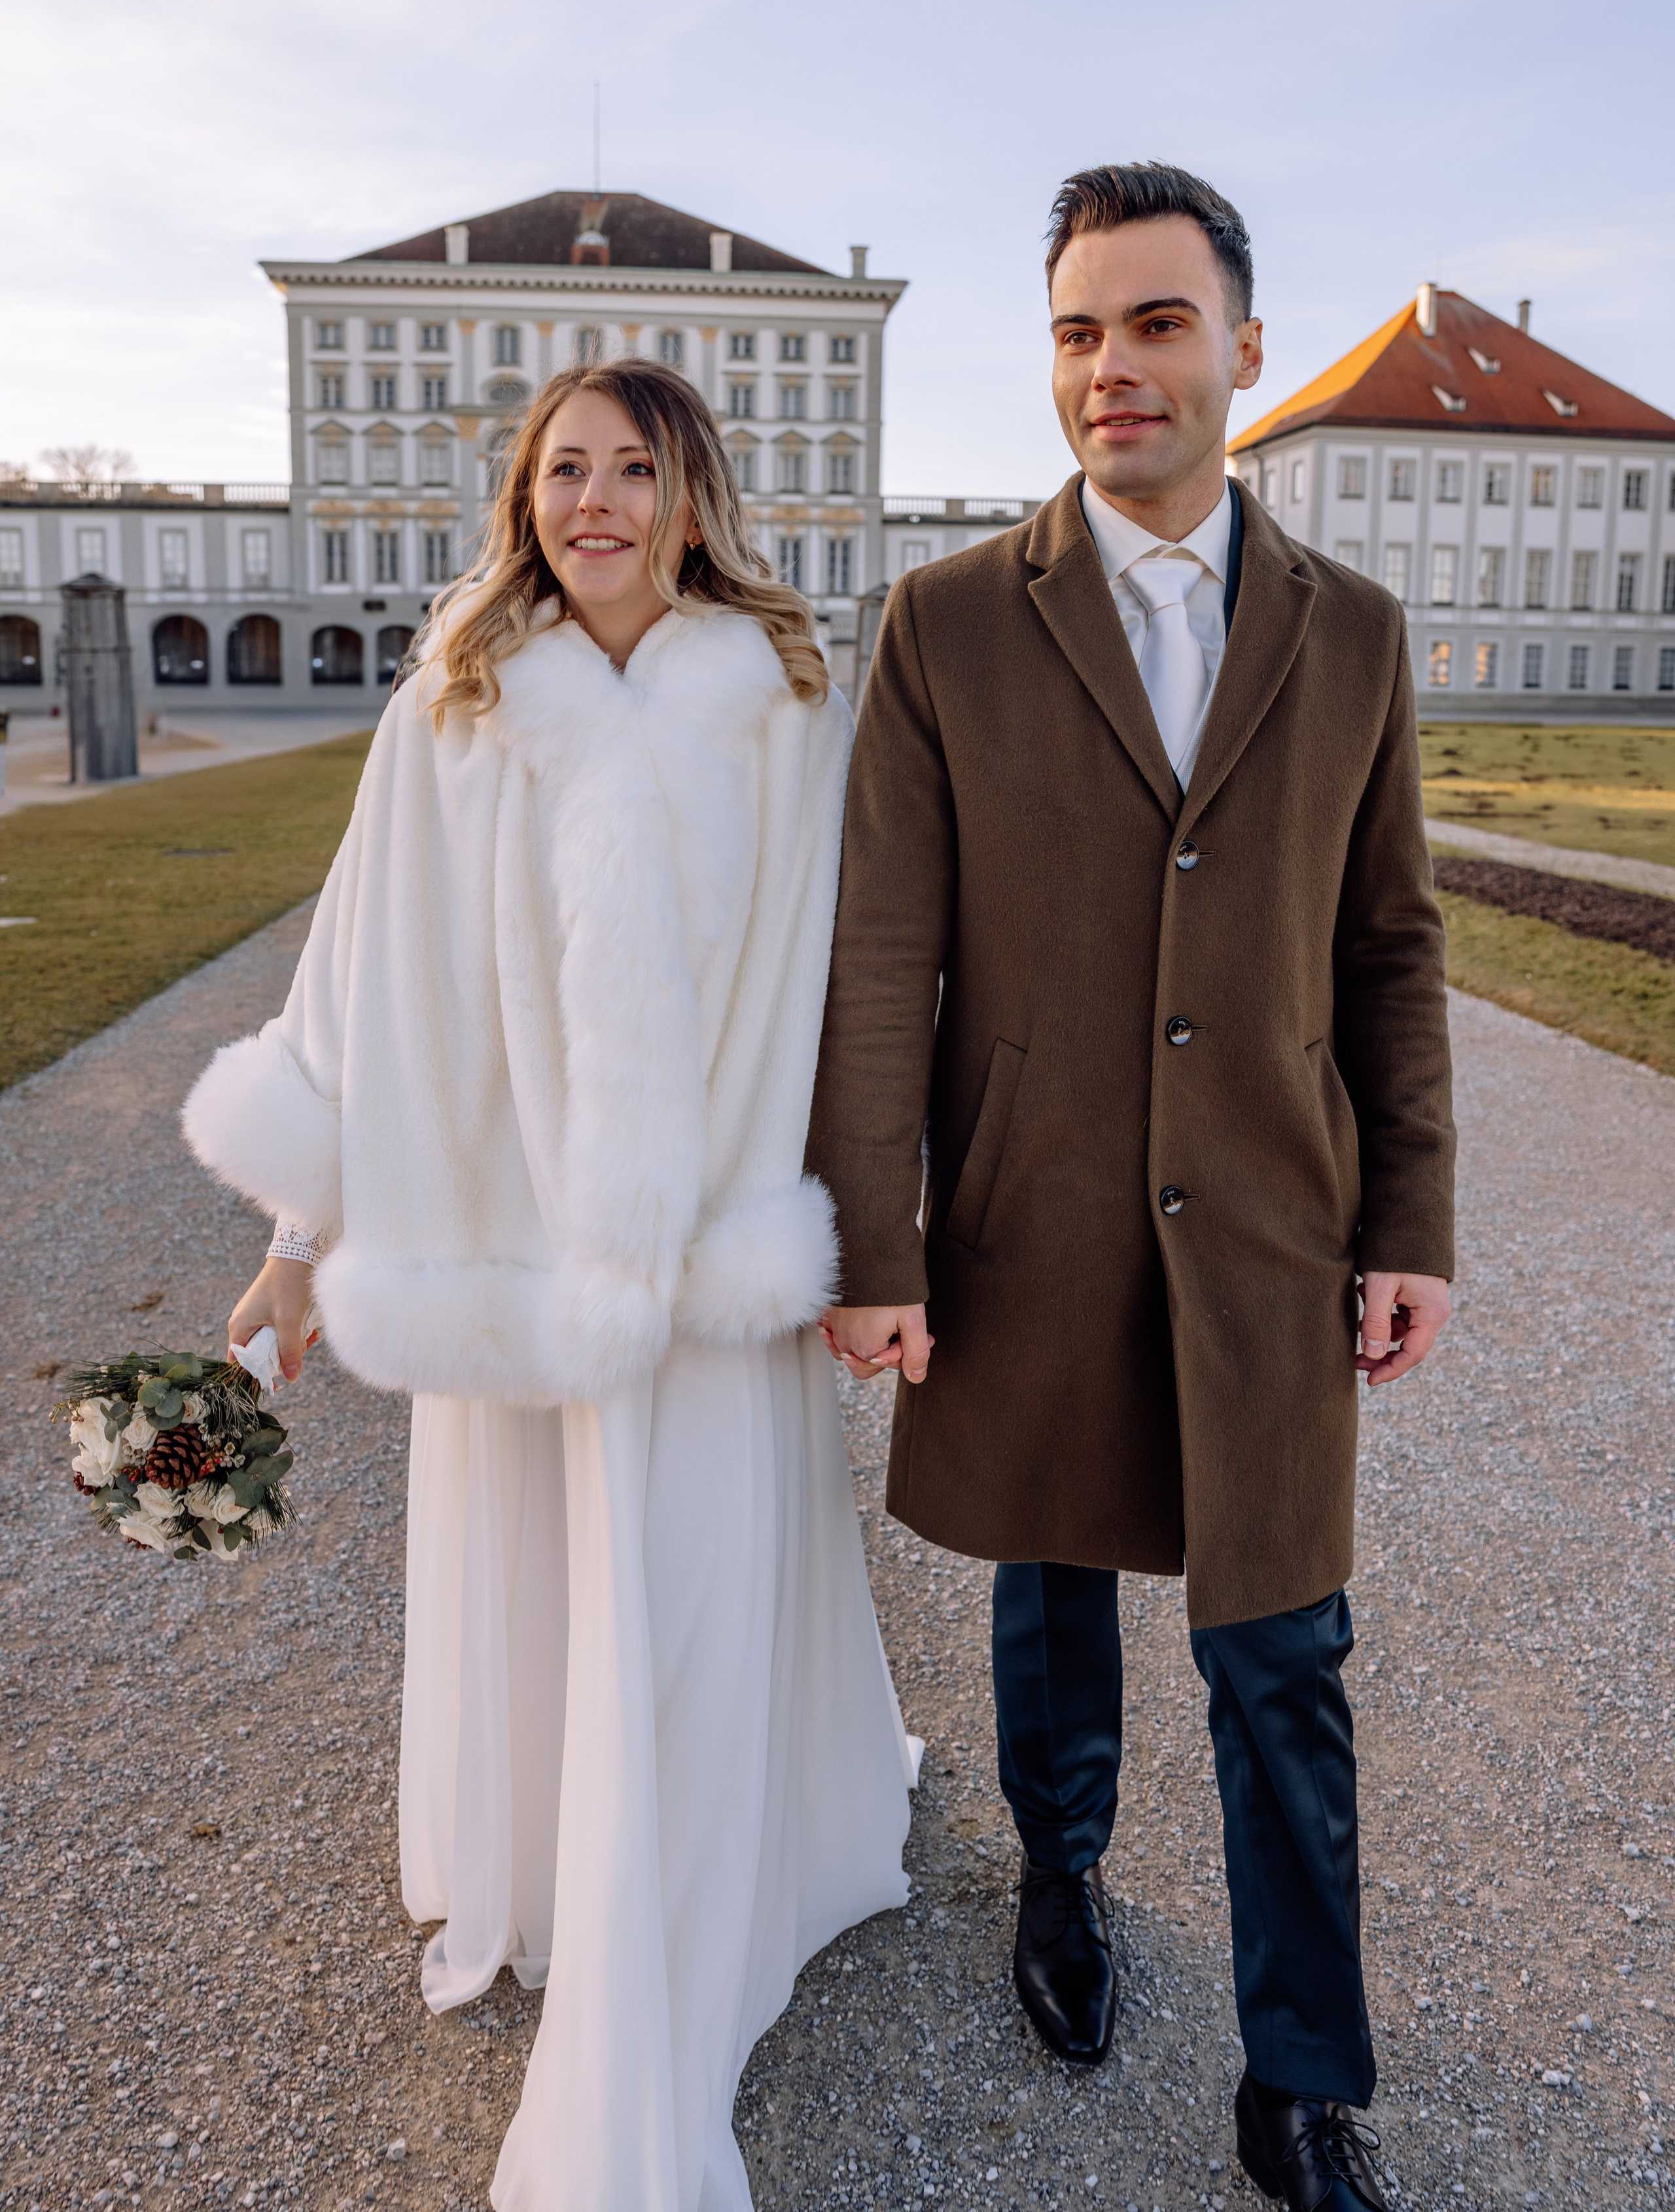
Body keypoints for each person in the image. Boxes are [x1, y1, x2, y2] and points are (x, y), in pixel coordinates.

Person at [183, 359, 916, 2212]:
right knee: (555, 1607)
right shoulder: (455, 700)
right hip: (519, 1268)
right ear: (526, 496)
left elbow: (856, 993)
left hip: (714, 1276)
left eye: (634, 469)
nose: (595, 500)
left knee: (690, 1610)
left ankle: (670, 1976)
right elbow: (359, 974)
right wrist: (293, 1244)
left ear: (694, 496)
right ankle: (561, 1890)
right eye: (563, 469)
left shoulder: (785, 700)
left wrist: (874, 1243)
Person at [808, 164, 1455, 2212]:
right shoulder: (940, 627)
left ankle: (1301, 2084)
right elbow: (884, 956)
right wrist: (878, 1239)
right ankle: (1060, 1884)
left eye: (1158, 323)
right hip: (1034, 1212)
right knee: (1051, 1590)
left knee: (1287, 1661)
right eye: (1082, 329)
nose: (1115, 369)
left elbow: (1390, 948)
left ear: (1244, 349)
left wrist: (1412, 1220)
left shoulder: (1351, 634)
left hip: (1271, 1226)